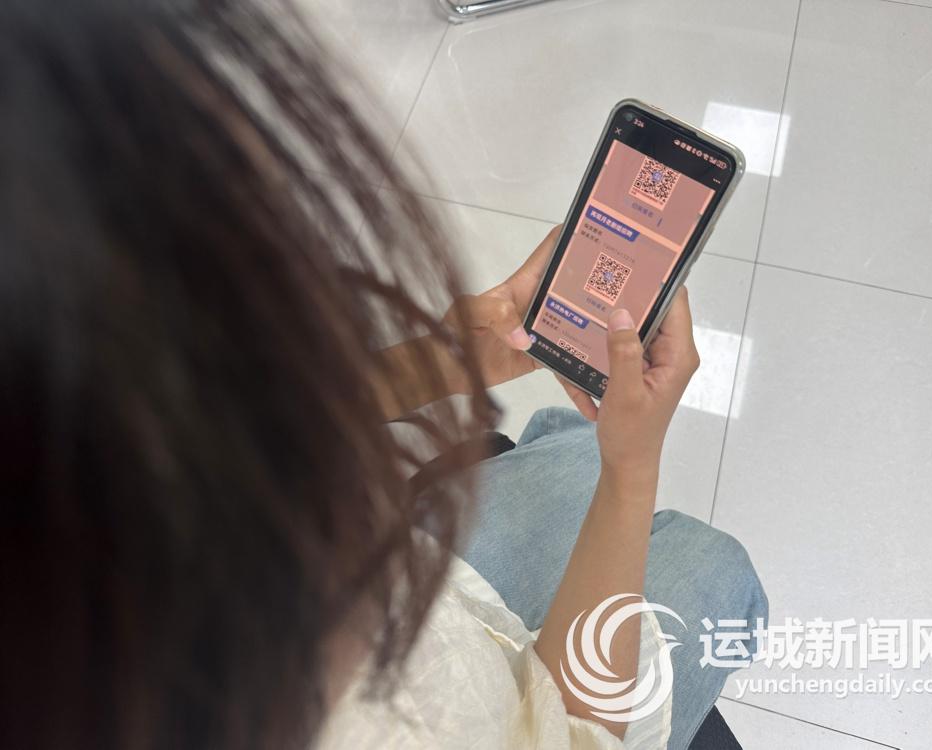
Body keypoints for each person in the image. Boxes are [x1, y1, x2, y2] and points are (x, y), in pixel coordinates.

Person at [0, 2, 766, 749]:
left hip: (435, 617)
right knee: (715, 567)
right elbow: (569, 734)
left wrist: (450, 360)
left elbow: (258, 429)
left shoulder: (114, 457)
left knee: (575, 452)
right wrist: (630, 471)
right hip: (479, 693)